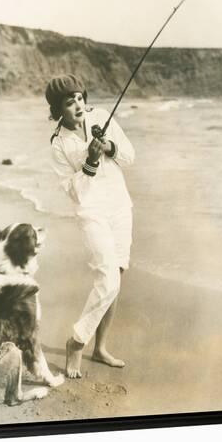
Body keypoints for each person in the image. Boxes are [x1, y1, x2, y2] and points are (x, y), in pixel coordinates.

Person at [45, 74, 135, 379]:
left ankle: (101, 347)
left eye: (80, 97)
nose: (78, 105)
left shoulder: (101, 117)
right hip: (91, 213)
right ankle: (77, 342)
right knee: (108, 279)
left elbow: (130, 156)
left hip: (120, 207)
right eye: (69, 103)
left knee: (116, 279)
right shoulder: (59, 144)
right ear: (58, 111)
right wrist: (91, 162)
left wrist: (108, 146)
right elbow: (74, 192)